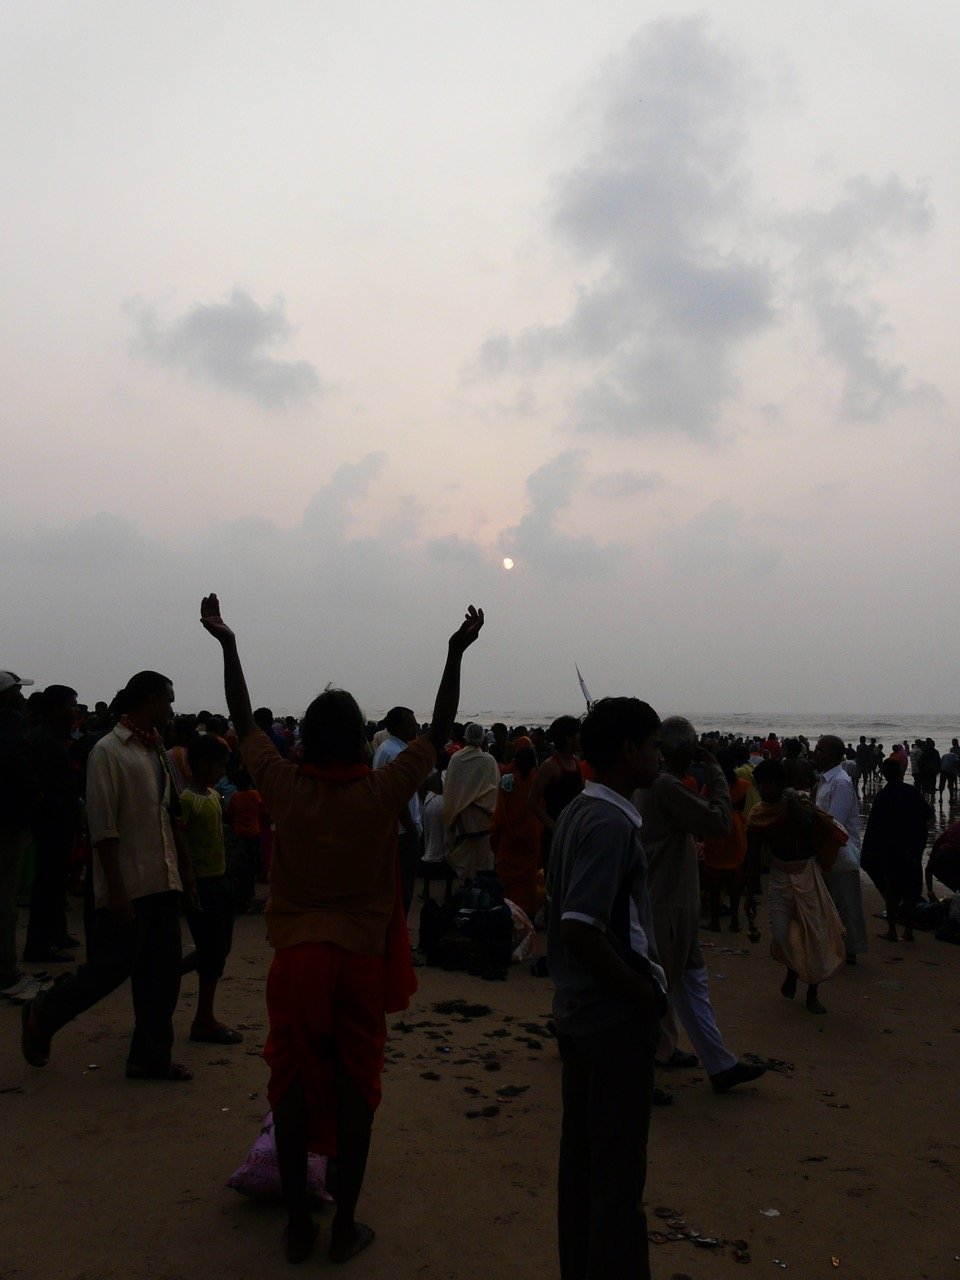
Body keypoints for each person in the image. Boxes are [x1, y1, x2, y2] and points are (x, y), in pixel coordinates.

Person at [199, 592, 483, 1266]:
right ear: (359, 739)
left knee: (291, 1083)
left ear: (304, 740)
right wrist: (454, 651)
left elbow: (242, 721)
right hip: (359, 961)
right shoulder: (382, 790)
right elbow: (438, 730)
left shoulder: (284, 786)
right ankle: (344, 1222)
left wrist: (229, 645)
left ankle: (299, 1220)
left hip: (295, 959)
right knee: (359, 1085)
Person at [21, 671, 196, 1081]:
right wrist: (115, 892)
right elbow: (102, 828)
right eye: (168, 700)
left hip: (161, 877)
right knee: (107, 970)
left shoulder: (156, 752)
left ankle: (150, 1057)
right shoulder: (108, 752)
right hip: (128, 883)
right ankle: (43, 1014)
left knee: (162, 975)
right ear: (150, 700)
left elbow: (169, 817)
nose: (172, 709)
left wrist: (184, 875)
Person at [547, 697, 666, 1280]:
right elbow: (580, 928)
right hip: (610, 1022)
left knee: (584, 1168)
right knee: (617, 1179)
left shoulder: (580, 811)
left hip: (580, 1016)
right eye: (652, 745)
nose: (659, 756)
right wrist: (641, 995)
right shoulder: (609, 822)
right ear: (627, 751)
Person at [635, 716, 765, 1092]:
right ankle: (641, 1072)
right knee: (662, 988)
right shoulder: (664, 787)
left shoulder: (658, 784)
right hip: (668, 903)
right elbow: (719, 821)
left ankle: (717, 1063)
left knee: (688, 982)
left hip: (672, 900)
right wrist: (718, 776)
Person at [745, 759, 845, 1014]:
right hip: (780, 876)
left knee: (815, 934)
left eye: (767, 784)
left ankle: (812, 991)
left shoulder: (798, 804)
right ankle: (792, 968)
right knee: (779, 934)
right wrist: (750, 893)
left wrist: (790, 800)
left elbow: (807, 824)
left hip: (807, 873)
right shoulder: (758, 814)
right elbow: (753, 856)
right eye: (759, 784)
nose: (762, 789)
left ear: (780, 784)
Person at [179, 733, 242, 1043]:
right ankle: (204, 1018)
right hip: (202, 882)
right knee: (212, 950)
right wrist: (188, 879)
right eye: (219, 766)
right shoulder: (187, 800)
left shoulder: (213, 796)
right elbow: (180, 842)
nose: (222, 772)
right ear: (203, 765)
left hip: (220, 878)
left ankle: (170, 975)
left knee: (219, 947)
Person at [24, 684, 82, 962]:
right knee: (47, 882)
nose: (75, 711)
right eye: (71, 706)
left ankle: (56, 934)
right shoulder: (43, 741)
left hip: (60, 819)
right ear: (57, 708)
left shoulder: (54, 738)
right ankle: (38, 945)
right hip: (51, 822)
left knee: (56, 881)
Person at [861, 758, 932, 942]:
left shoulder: (882, 797)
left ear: (883, 774)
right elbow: (928, 814)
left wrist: (869, 853)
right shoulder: (912, 792)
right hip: (912, 848)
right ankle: (908, 931)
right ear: (901, 772)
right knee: (910, 891)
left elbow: (873, 827)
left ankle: (892, 930)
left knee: (891, 890)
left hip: (890, 850)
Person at [812, 734, 868, 963]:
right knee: (830, 902)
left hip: (842, 851)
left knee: (846, 902)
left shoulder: (841, 782)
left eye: (820, 749)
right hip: (827, 850)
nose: (816, 753)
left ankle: (851, 951)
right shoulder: (824, 781)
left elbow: (835, 822)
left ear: (834, 754)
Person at [0, 670, 38, 998]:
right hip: (7, 824)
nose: (22, 697)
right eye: (16, 692)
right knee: (5, 899)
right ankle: (5, 971)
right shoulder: (11, 726)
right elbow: (20, 773)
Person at [372, 705, 424, 914]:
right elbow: (396, 797)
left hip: (400, 829)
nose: (415, 728)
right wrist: (411, 828)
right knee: (403, 888)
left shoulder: (391, 749)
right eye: (410, 725)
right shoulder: (393, 752)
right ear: (397, 726)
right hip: (402, 831)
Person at [491, 737, 542, 919]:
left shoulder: (507, 779)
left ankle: (508, 915)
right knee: (528, 883)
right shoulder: (538, 782)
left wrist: (495, 838)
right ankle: (528, 916)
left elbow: (500, 812)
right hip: (531, 839)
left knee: (508, 885)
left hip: (509, 839)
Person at [442, 722, 499, 881]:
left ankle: (466, 891)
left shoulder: (456, 758)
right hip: (484, 819)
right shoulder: (488, 760)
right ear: (482, 739)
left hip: (461, 818)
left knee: (465, 864)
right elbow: (495, 789)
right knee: (483, 863)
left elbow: (450, 788)